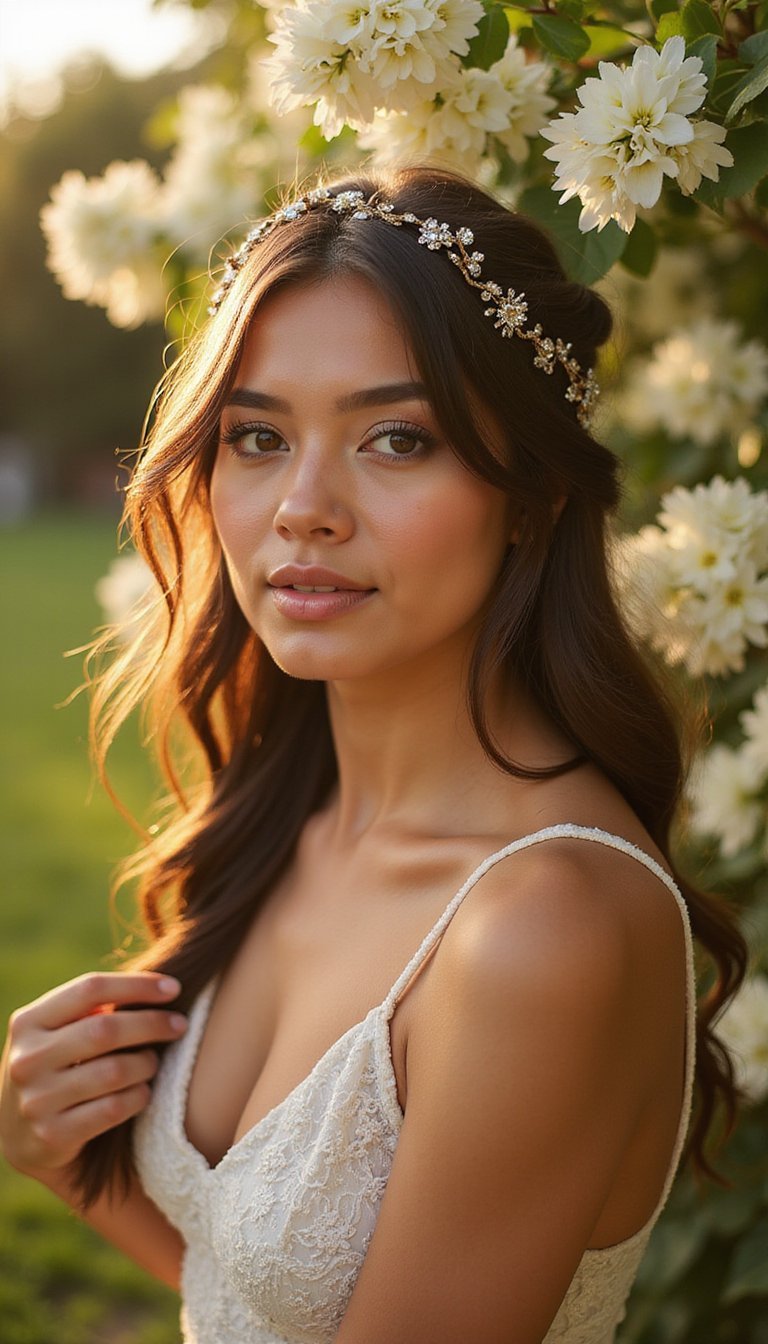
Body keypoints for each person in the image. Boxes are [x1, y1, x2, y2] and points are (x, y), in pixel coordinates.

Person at [0, 164, 748, 1344]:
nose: (303, 506)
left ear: (533, 497)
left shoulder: (543, 928)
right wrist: (66, 1166)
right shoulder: (291, 821)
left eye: (396, 439)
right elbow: (249, 1301)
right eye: (257, 436)